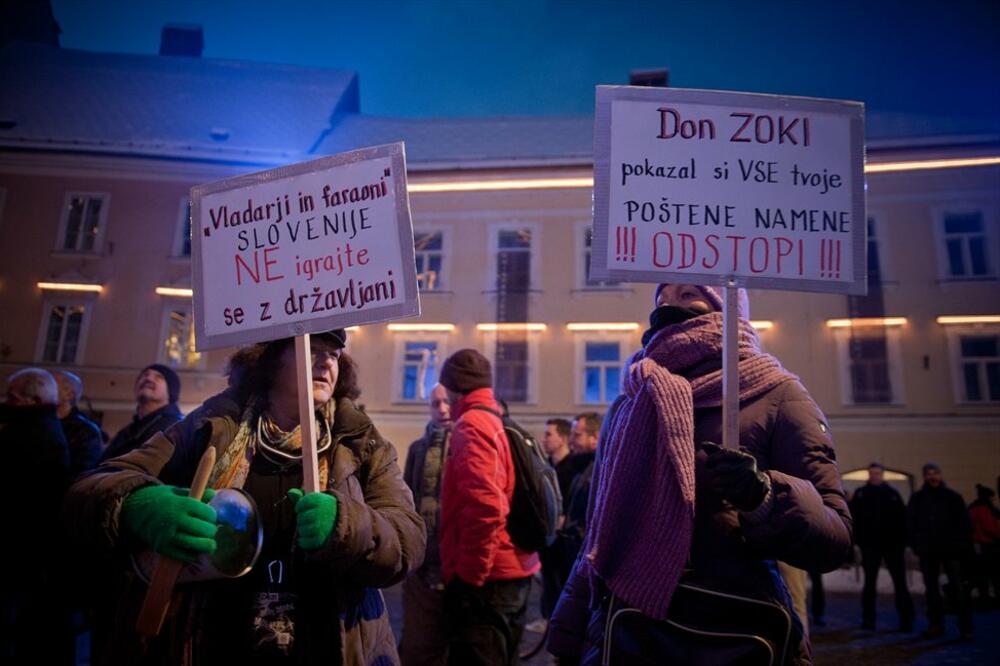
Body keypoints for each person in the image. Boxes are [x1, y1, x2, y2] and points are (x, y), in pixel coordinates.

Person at [63, 330, 426, 665]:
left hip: (327, 647)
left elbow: (408, 538)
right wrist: (138, 505)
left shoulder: (362, 442)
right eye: (312, 350)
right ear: (269, 359)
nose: (326, 362)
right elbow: (92, 487)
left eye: (333, 354)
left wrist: (346, 526)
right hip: (215, 641)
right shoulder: (213, 425)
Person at [547, 284, 852, 665]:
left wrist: (764, 497)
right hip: (631, 632)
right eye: (662, 300)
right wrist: (569, 635)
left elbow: (835, 539)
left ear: (727, 305)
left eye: (688, 294)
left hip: (730, 633)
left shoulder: (777, 394)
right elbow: (600, 532)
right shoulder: (632, 398)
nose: (669, 308)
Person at [437, 349, 541, 665]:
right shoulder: (496, 419)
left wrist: (470, 576)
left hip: (489, 581)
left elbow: (487, 507)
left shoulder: (472, 425)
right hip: (512, 570)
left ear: (453, 386)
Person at [1, 368, 72, 665]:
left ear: (32, 400)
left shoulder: (29, 434)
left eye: (11, 398)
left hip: (22, 550)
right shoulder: (42, 429)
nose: (6, 402)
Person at [400, 383, 453, 666]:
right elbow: (408, 498)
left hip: (455, 563)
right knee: (417, 643)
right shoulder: (418, 448)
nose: (442, 409)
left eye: (446, 402)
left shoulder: (467, 444)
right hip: (423, 564)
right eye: (436, 403)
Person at [907, 462, 974, 639]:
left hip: (951, 550)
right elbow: (911, 523)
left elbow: (964, 524)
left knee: (958, 590)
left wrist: (960, 546)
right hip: (928, 551)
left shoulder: (952, 497)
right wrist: (917, 544)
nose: (932, 476)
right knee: (931, 591)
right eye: (929, 473)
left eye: (935, 473)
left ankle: (965, 627)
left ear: (940, 474)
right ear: (925, 476)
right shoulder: (919, 498)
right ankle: (936, 625)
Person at [849, 462, 914, 631]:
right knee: (870, 584)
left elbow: (902, 520)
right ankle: (868, 619)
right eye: (872, 473)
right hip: (870, 546)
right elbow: (854, 520)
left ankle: (906, 620)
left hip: (893, 546)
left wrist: (903, 542)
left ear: (882, 474)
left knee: (900, 584)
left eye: (877, 473)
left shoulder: (892, 494)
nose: (874, 476)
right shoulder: (861, 494)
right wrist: (859, 542)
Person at [53, 369, 103, 479]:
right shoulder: (34, 423)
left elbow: (81, 473)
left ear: (69, 395)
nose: (43, 390)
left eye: (51, 385)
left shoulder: (87, 431)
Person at [969, 484, 1000, 608]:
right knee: (994, 574)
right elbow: (990, 528)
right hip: (988, 546)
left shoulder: (972, 508)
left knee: (982, 575)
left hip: (977, 546)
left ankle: (984, 597)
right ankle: (993, 599)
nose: (993, 500)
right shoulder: (984, 510)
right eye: (992, 498)